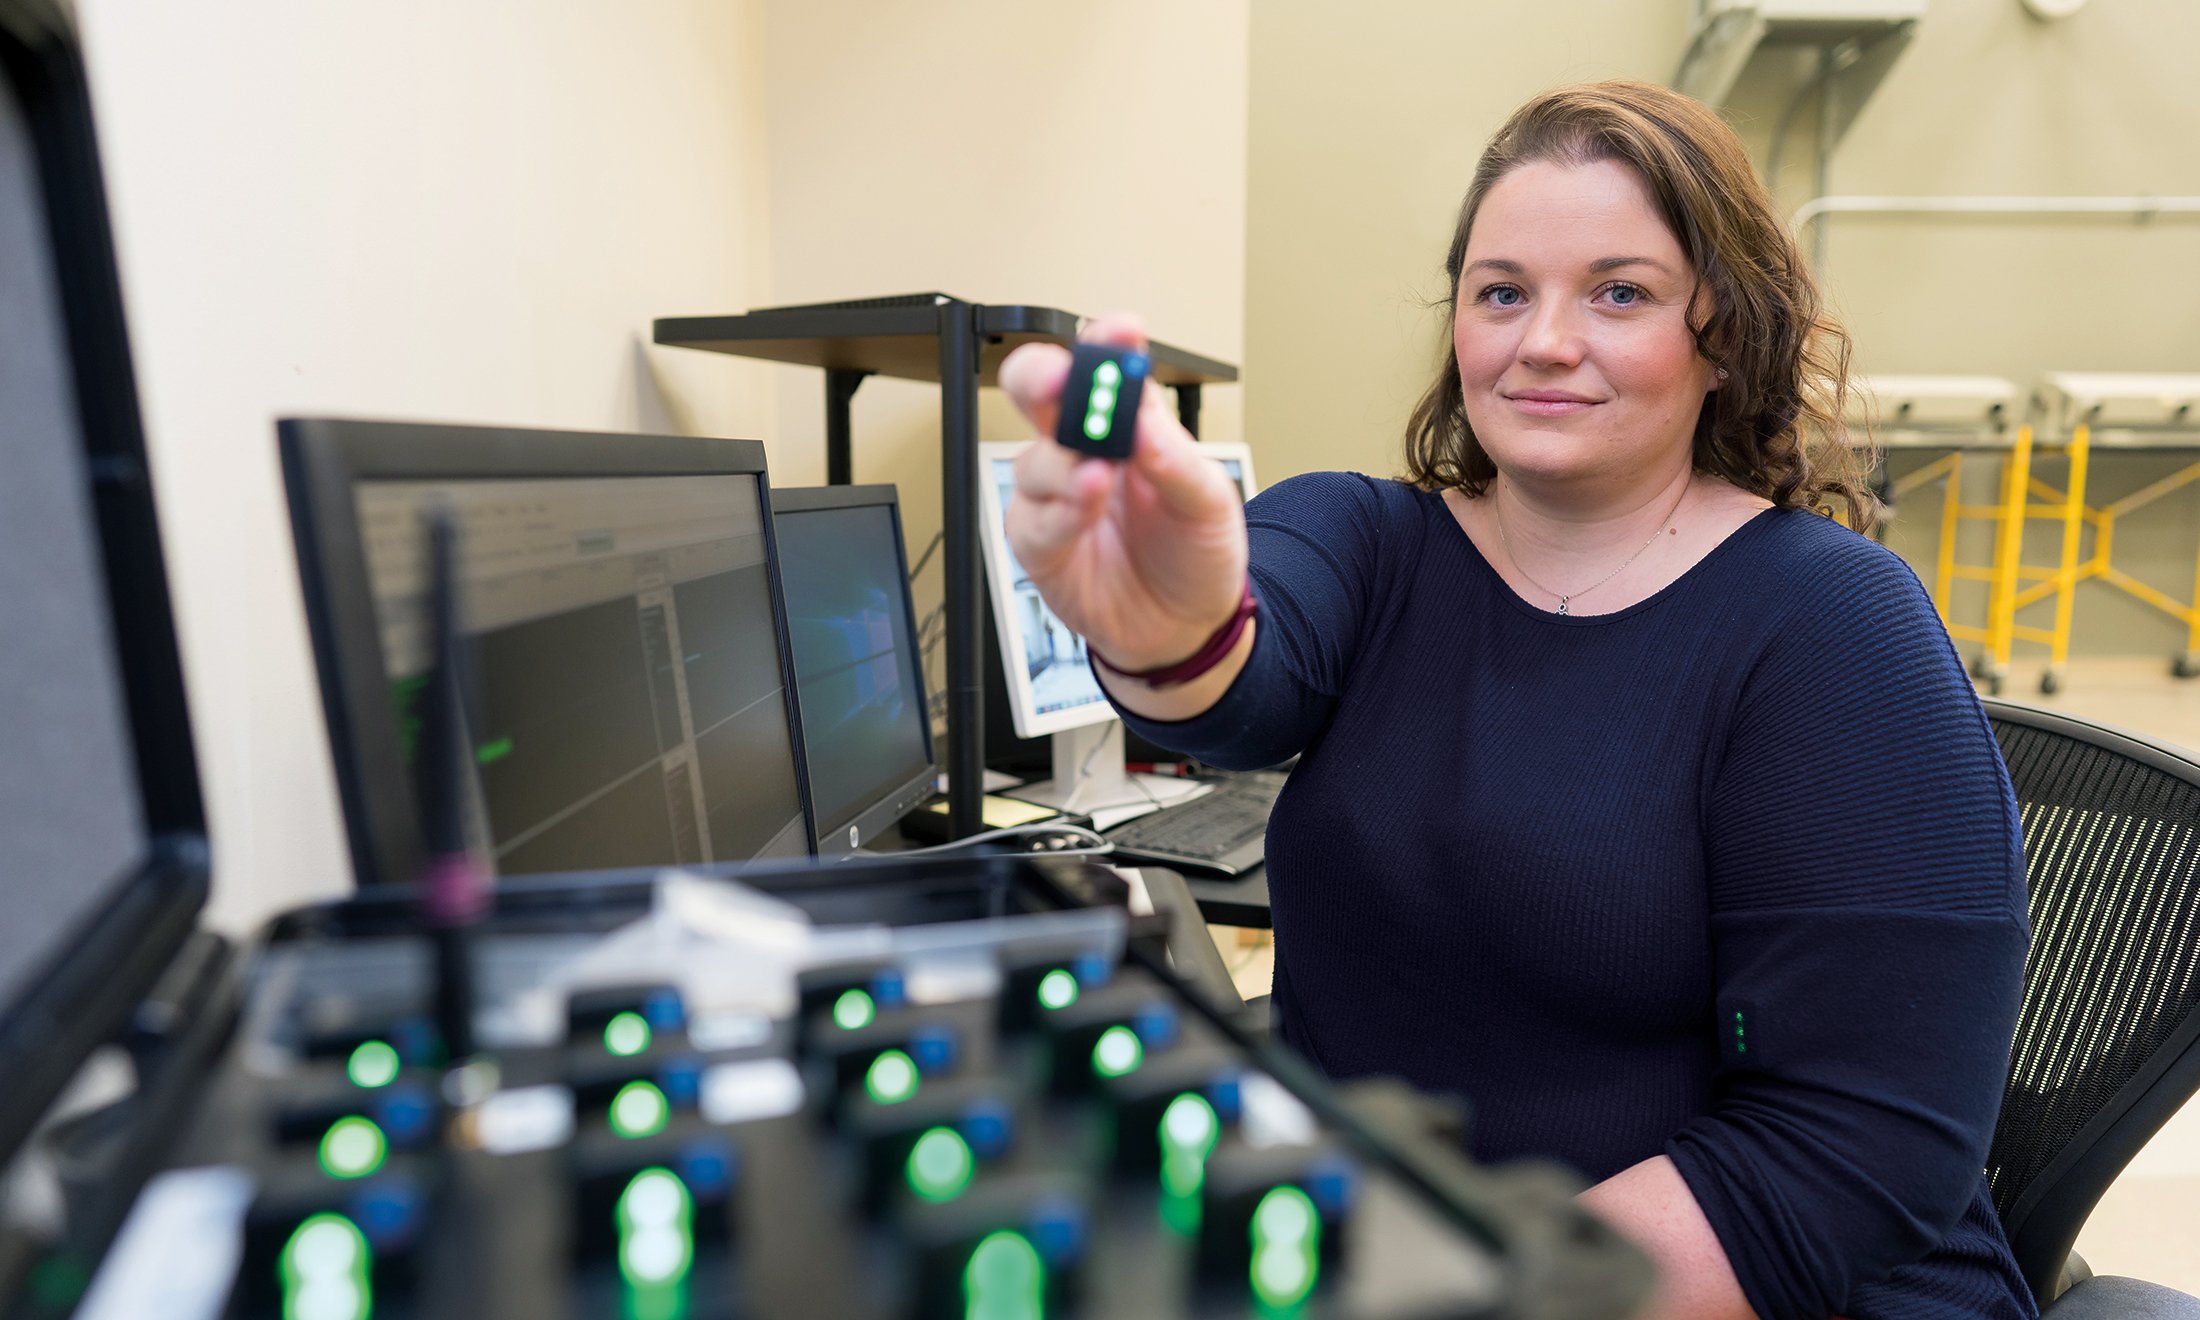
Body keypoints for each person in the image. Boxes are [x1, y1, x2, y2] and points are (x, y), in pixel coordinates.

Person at [999, 82, 2034, 1320]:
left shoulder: (1828, 625)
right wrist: (1163, 627)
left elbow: (1851, 1155)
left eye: (1619, 292)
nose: (1542, 339)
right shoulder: (1368, 541)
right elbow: (1235, 685)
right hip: (1392, 1247)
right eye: (1501, 292)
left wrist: (1437, 1282)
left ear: (1725, 337)